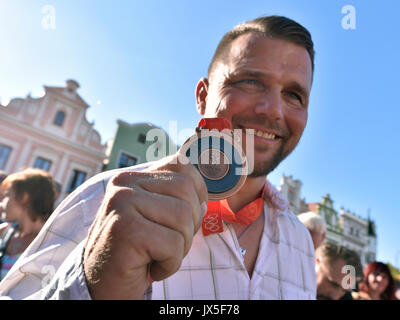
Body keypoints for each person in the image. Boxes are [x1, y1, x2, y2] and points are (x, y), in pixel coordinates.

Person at [0, 15, 317, 299]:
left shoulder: (300, 241)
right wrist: (91, 285)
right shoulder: (101, 201)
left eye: (293, 95)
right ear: (203, 96)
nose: (273, 110)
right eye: (250, 81)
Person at [0, 168, 57, 280]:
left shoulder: (52, 242)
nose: (1, 204)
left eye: (7, 195)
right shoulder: (3, 232)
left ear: (24, 197)